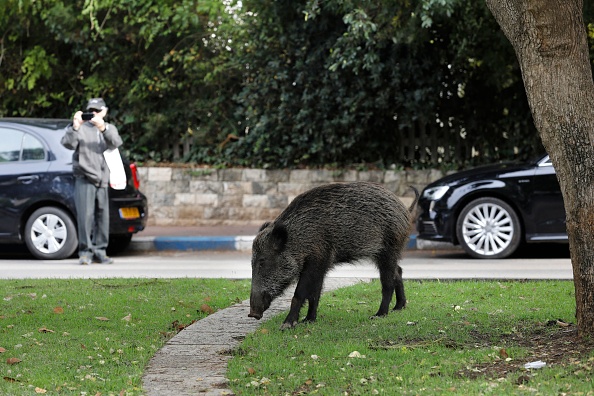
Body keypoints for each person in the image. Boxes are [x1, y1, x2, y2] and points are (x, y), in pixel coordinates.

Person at [61, 98, 123, 265]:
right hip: (85, 178)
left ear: (104, 111)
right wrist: (75, 126)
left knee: (103, 217)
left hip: (103, 179)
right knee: (85, 217)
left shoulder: (109, 128)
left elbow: (116, 143)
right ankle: (85, 252)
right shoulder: (80, 128)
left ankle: (101, 251)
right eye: (91, 110)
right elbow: (67, 143)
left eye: (97, 110)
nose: (93, 113)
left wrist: (102, 128)